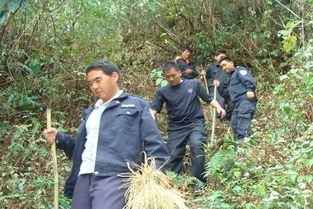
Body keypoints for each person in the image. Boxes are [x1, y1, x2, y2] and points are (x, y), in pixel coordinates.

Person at [43, 60, 169, 209]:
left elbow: (154, 142)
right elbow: (81, 150)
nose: (94, 86)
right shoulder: (91, 113)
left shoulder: (136, 105)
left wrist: (157, 171)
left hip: (117, 176)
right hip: (84, 176)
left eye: (98, 80)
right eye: (90, 83)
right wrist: (60, 139)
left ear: (114, 76)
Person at [150, 62, 226, 188]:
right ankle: (175, 183)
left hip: (195, 123)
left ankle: (197, 184)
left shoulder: (193, 84)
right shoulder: (162, 91)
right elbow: (154, 109)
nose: (171, 79)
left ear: (180, 72)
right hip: (176, 127)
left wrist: (219, 107)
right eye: (167, 77)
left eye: (173, 75)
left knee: (197, 146)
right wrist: (148, 117)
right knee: (173, 154)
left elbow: (208, 98)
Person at [219, 57, 257, 140]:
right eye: (222, 67)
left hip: (245, 100)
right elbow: (227, 95)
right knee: (235, 123)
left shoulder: (239, 70)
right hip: (236, 104)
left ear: (231, 63)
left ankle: (245, 144)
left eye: (225, 65)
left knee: (243, 123)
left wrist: (250, 89)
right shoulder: (230, 78)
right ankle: (239, 145)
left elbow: (248, 79)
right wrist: (219, 86)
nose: (224, 68)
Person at [202, 49, 233, 120]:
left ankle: (229, 117)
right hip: (215, 89)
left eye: (224, 57)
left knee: (232, 99)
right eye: (221, 57)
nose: (223, 59)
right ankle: (220, 118)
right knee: (220, 100)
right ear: (215, 57)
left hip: (226, 88)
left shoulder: (227, 66)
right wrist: (202, 74)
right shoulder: (210, 67)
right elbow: (203, 78)